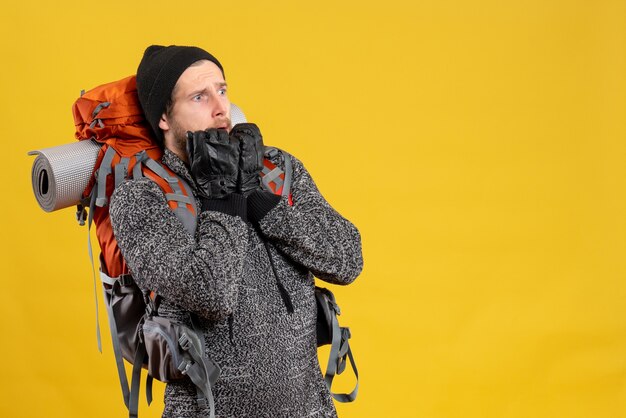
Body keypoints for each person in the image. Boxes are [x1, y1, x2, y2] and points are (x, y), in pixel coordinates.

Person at [109, 45, 363, 417]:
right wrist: (223, 198)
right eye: (200, 96)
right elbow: (210, 293)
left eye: (223, 91)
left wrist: (258, 197)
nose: (220, 109)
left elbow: (348, 259)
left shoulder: (276, 169)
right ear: (164, 117)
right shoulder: (141, 199)